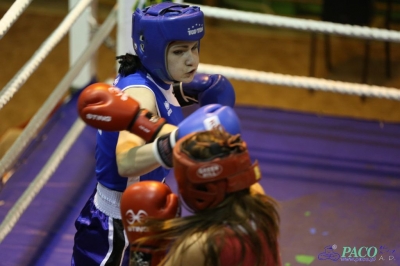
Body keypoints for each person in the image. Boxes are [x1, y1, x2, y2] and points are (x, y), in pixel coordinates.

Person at [72, 2, 236, 265]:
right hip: (118, 225)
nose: (191, 59)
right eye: (180, 51)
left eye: (194, 48)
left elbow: (167, 103)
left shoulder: (153, 78)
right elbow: (125, 160)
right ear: (156, 52)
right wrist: (178, 141)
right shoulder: (140, 95)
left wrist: (203, 90)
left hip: (148, 210)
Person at [121, 129, 281, 266]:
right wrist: (143, 123)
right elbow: (228, 168)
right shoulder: (261, 205)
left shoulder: (200, 246)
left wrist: (144, 252)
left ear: (201, 190)